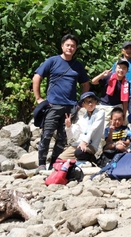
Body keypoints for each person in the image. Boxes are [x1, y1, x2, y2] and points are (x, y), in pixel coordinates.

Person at [33, 34, 90, 172]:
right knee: (47, 135)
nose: (70, 48)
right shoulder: (52, 61)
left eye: (73, 46)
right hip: (53, 105)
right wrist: (38, 97)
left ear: (76, 48)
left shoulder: (77, 65)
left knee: (62, 138)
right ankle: (41, 164)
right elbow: (37, 77)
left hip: (70, 107)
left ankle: (54, 164)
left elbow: (86, 84)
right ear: (62, 46)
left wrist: (80, 102)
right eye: (68, 45)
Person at [59, 92, 105, 166]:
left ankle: (91, 159)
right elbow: (72, 136)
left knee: (79, 153)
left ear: (96, 101)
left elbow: (93, 129)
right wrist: (68, 126)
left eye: (92, 101)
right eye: (87, 102)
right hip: (79, 144)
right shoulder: (82, 118)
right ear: (83, 105)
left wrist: (84, 142)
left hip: (91, 145)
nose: (90, 104)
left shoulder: (100, 113)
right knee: (60, 160)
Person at [113, 41, 131, 114]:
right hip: (119, 94)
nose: (129, 50)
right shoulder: (117, 64)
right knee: (118, 118)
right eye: (126, 48)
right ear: (122, 50)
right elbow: (113, 78)